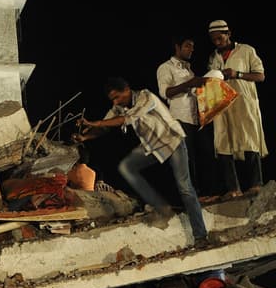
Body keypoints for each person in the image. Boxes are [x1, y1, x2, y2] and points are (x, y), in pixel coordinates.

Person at [73, 76, 207, 243]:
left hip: (172, 141)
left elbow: (127, 120)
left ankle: (201, 235)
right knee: (126, 167)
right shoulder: (118, 108)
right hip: (151, 146)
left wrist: (96, 122)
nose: (115, 102)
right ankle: (161, 207)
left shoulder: (145, 97)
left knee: (185, 188)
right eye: (112, 99)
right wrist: (85, 137)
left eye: (117, 97)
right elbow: (106, 127)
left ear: (127, 90)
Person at [206, 20, 267, 197]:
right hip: (222, 106)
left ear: (229, 33)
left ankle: (256, 184)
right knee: (223, 143)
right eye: (214, 39)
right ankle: (234, 189)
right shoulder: (213, 57)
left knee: (250, 139)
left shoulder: (246, 50)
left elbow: (260, 75)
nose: (217, 42)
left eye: (220, 38)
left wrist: (237, 74)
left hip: (244, 103)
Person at [156, 35, 214, 196]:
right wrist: (190, 83)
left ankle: (205, 194)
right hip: (180, 119)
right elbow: (165, 92)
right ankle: (192, 197)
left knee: (206, 155)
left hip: (196, 119)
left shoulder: (188, 69)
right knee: (187, 161)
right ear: (177, 47)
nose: (191, 49)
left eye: (193, 46)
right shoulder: (165, 68)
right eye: (188, 46)